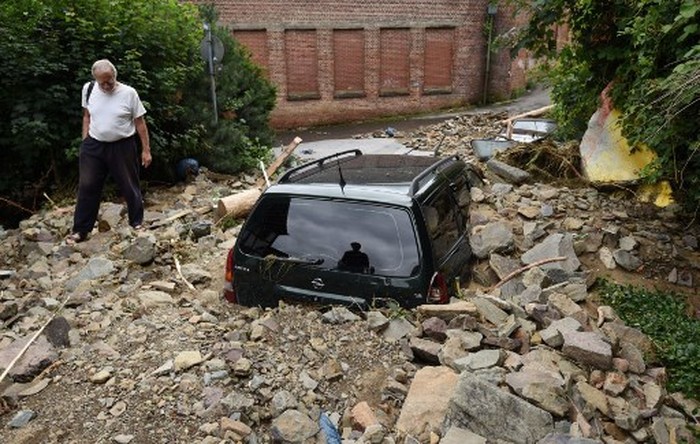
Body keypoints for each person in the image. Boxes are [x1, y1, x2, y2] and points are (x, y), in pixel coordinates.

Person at [67, 59, 152, 243]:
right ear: (95, 79)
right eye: (102, 82)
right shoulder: (88, 89)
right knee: (87, 186)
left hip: (122, 145)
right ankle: (81, 230)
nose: (106, 85)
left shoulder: (129, 93)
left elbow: (140, 123)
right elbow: (86, 116)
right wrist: (85, 141)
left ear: (115, 76)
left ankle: (137, 222)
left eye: (109, 81)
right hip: (94, 144)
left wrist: (146, 150)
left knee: (129, 184)